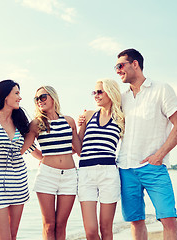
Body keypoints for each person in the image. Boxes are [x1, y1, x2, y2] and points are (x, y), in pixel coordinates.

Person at [115, 48, 177, 240]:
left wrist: (159, 155)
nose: (117, 71)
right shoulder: (122, 98)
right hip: (125, 168)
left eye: (120, 66)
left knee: (168, 219)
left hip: (153, 167)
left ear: (135, 64)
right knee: (136, 221)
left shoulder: (162, 89)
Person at [0, 79, 38, 240]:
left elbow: (32, 149)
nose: (20, 97)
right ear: (5, 96)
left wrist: (64, 156)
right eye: (16, 93)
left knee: (12, 237)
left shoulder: (20, 123)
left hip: (19, 183)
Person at [21, 86, 82, 240]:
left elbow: (80, 150)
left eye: (42, 97)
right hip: (47, 176)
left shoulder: (69, 121)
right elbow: (24, 147)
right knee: (49, 225)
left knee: (61, 225)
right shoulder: (36, 123)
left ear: (53, 97)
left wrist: (84, 126)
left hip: (69, 177)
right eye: (36, 99)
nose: (39, 101)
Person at [77, 78, 124, 240]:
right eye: (94, 92)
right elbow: (78, 146)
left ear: (110, 93)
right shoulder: (88, 115)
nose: (95, 95)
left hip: (108, 174)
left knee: (106, 229)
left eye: (99, 91)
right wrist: (75, 126)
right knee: (90, 231)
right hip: (86, 173)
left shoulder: (121, 118)